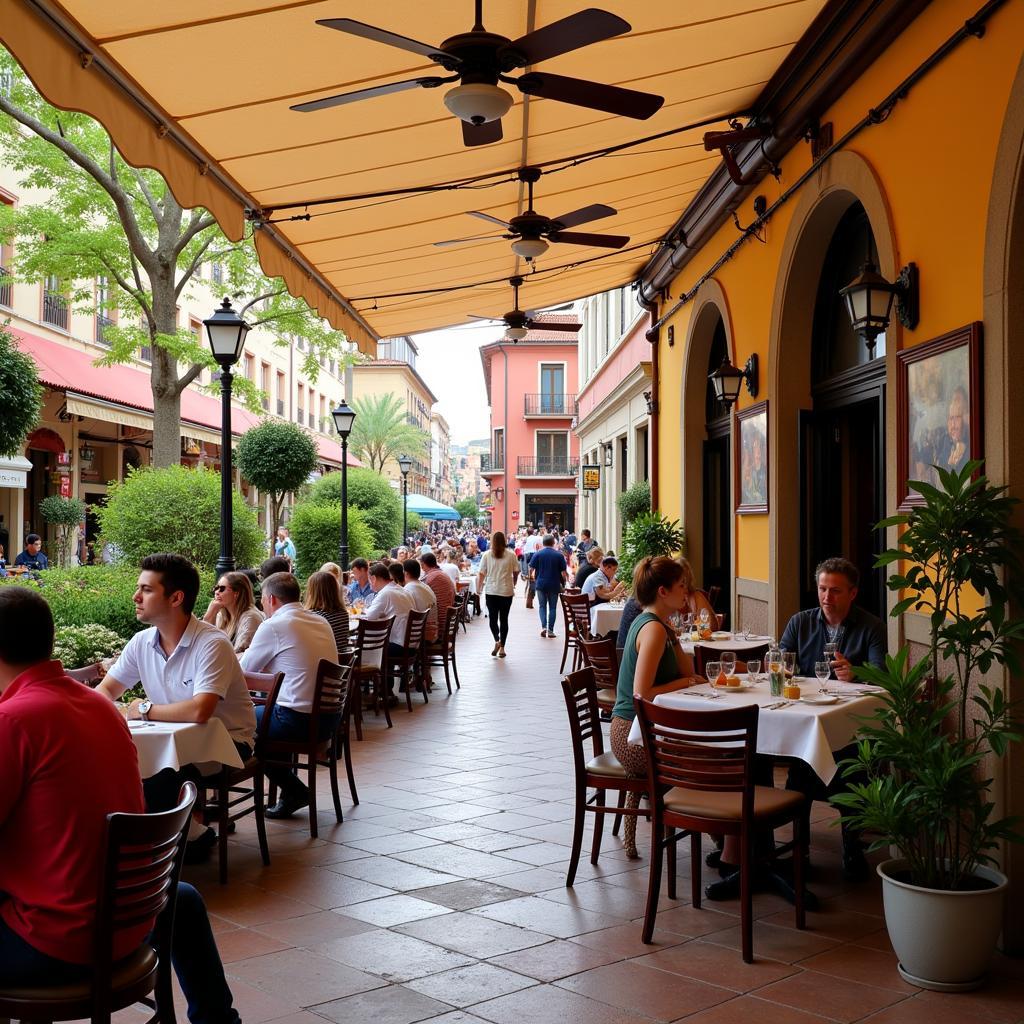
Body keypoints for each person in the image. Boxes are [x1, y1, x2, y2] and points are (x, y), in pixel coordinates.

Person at [0, 587, 241, 1024]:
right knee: (182, 896)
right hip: (131, 919)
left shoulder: (14, 721)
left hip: (59, 940)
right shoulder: (101, 707)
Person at [97, 553, 256, 861]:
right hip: (173, 741)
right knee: (124, 764)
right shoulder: (142, 642)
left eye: (146, 589)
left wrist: (140, 709)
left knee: (159, 773)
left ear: (176, 598)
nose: (136, 596)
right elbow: (106, 691)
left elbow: (200, 711)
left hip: (228, 742)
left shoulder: (211, 643)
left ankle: (161, 853)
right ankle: (187, 837)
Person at [779, 556, 887, 879]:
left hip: (850, 727)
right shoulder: (800, 623)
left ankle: (852, 844)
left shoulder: (871, 627)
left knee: (851, 764)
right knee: (799, 768)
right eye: (822, 589)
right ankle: (799, 849)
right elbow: (781, 663)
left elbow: (882, 677)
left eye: (836, 591)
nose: (827, 597)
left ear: (852, 593)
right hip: (803, 721)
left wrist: (857, 673)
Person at [610, 556, 705, 858]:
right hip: (632, 737)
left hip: (637, 731)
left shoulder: (656, 625)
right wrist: (686, 684)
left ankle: (725, 843)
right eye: (681, 586)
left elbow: (685, 668)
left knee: (716, 754)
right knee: (717, 759)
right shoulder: (652, 630)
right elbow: (643, 693)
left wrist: (674, 636)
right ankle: (726, 842)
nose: (686, 591)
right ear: (663, 592)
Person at [240, 572, 340, 818]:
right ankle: (290, 793)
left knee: (238, 722)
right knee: (265, 717)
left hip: (297, 721)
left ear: (271, 599)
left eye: (262, 600)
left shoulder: (274, 625)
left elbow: (243, 672)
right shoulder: (320, 620)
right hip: (329, 719)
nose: (262, 605)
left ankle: (293, 791)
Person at [363, 562, 416, 668]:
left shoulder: (385, 593)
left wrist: (362, 611)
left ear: (373, 578)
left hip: (399, 646)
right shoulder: (402, 590)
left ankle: (376, 680)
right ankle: (386, 679)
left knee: (362, 648)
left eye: (369, 580)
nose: (370, 584)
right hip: (412, 644)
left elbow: (368, 618)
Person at [477, 530, 519, 658]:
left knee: (493, 619)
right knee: (504, 619)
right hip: (506, 591)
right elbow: (516, 571)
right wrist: (514, 583)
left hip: (491, 591)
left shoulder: (487, 555)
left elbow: (481, 573)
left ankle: (497, 640)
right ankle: (502, 648)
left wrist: (479, 588)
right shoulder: (511, 555)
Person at [203, 571, 265, 654]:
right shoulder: (222, 614)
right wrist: (210, 615)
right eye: (216, 588)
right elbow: (206, 644)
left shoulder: (250, 617)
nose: (216, 592)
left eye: (222, 589)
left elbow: (239, 654)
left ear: (236, 593)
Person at [304, 569, 350, 656]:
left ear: (313, 592)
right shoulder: (343, 613)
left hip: (323, 664)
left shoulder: (314, 617)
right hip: (340, 665)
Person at [530, 533, 568, 638]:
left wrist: (532, 578)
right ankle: (550, 630)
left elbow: (531, 568)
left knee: (542, 606)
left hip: (541, 584)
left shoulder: (538, 554)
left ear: (543, 543)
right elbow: (563, 573)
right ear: (553, 542)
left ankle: (543, 627)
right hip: (554, 584)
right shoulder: (559, 555)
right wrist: (565, 582)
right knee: (552, 608)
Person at [403, 558, 438, 643]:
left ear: (406, 573)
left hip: (422, 637)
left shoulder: (408, 589)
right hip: (433, 634)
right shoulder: (425, 586)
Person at [420, 551, 456, 631]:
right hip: (447, 621)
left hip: (439, 625)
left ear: (422, 565)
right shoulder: (442, 574)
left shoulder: (430, 578)